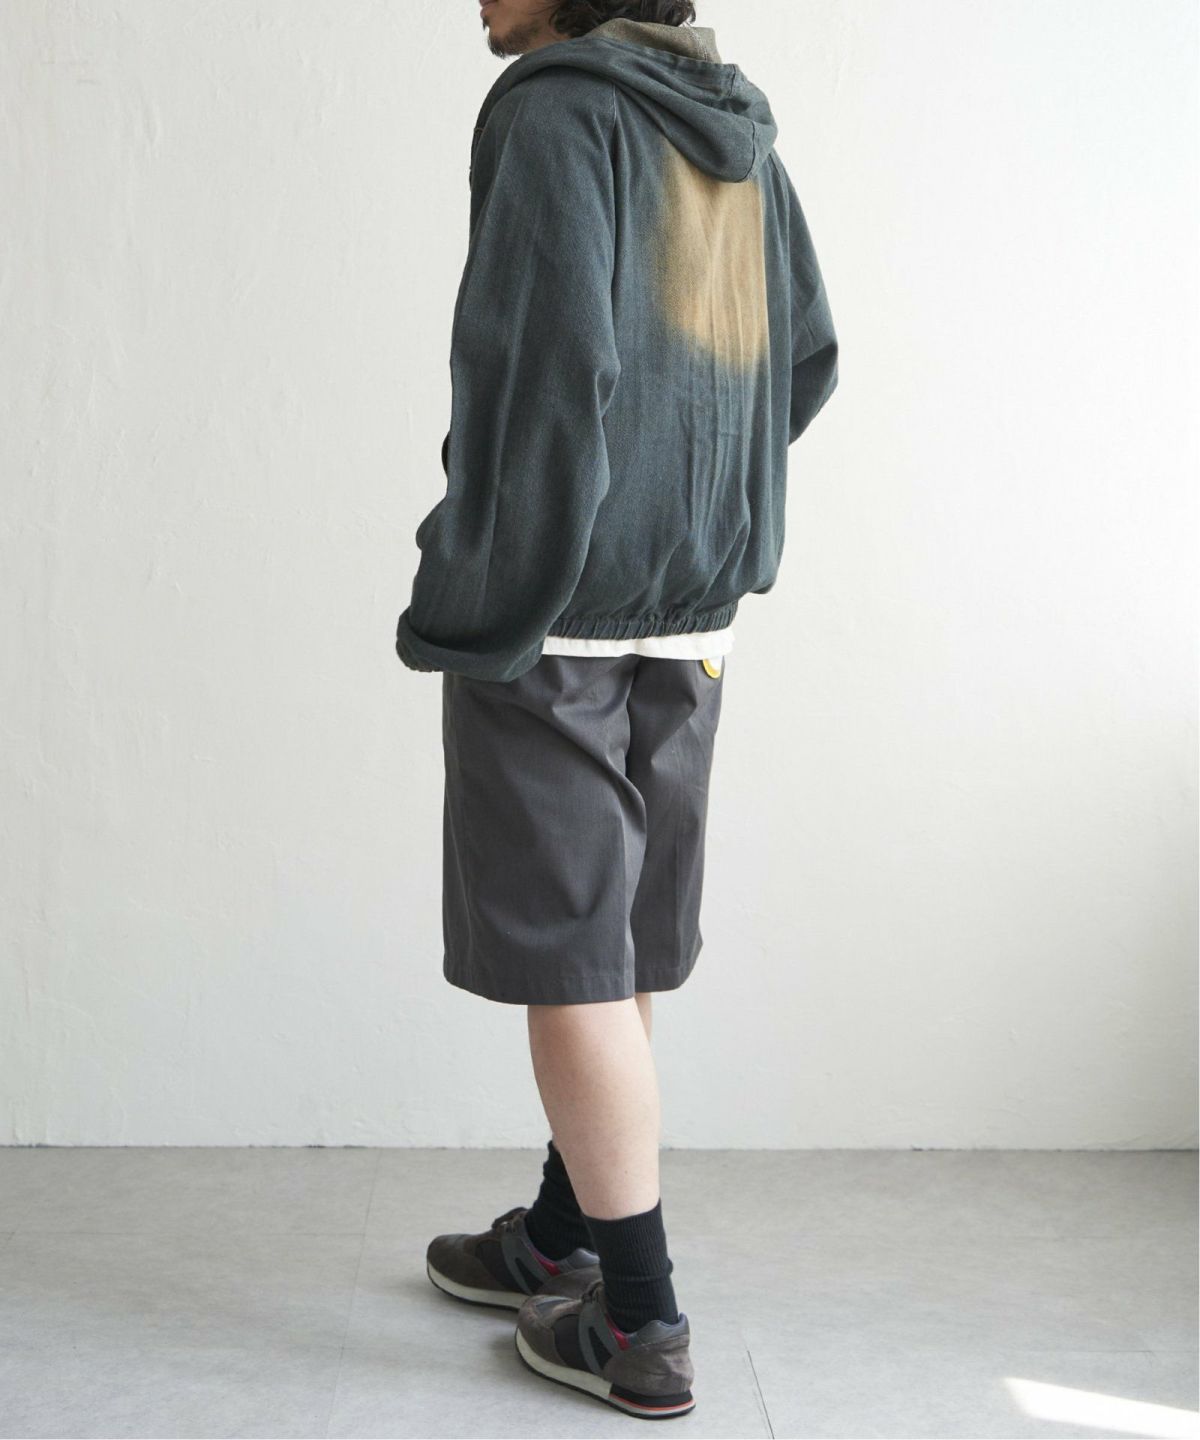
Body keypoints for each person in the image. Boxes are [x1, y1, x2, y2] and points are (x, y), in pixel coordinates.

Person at [394, 0, 838, 1419]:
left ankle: (639, 1322)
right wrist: (688, 501)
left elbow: (538, 373)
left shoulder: (555, 112)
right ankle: (561, 1234)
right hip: (693, 610)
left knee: (568, 963)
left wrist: (478, 580)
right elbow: (805, 358)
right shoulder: (737, 128)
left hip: (559, 611)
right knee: (617, 937)